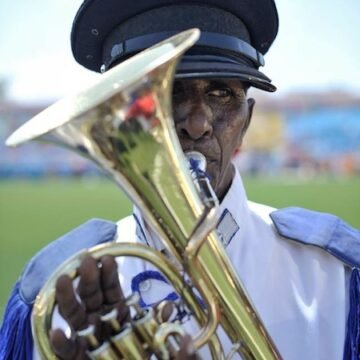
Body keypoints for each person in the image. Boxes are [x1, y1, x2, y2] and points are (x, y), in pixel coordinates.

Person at [1, 0, 359, 359]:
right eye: (171, 91)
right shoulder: (55, 297)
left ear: (246, 121)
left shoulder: (335, 276)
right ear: (123, 122)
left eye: (221, 93)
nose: (199, 124)